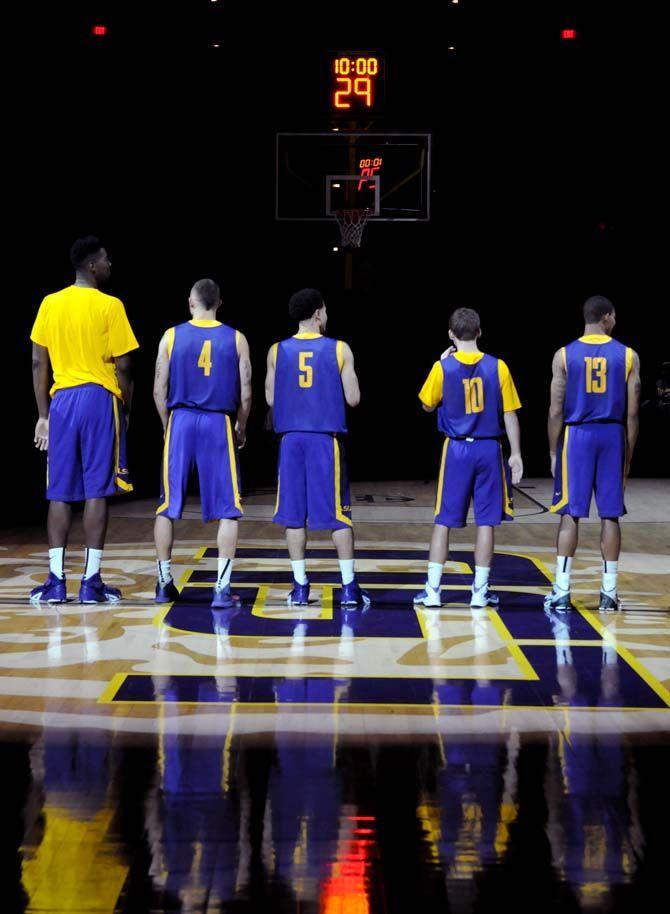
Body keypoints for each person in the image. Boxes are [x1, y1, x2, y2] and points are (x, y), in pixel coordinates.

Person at [30, 236, 138, 603]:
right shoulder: (110, 305)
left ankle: (55, 582)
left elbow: (37, 362)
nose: (110, 265)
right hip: (98, 398)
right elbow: (124, 364)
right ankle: (91, 584)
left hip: (61, 402)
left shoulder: (50, 303)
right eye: (106, 260)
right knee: (97, 489)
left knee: (58, 491)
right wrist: (124, 408)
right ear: (92, 265)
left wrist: (43, 415)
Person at [265, 288, 369, 607]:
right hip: (325, 440)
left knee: (294, 517)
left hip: (291, 440)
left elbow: (270, 399)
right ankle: (349, 589)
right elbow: (353, 398)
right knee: (338, 516)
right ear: (317, 314)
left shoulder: (276, 350)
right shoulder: (339, 349)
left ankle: (300, 588)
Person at [414, 307, 523, 608]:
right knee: (486, 522)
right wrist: (516, 454)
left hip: (457, 449)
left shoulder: (443, 367)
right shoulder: (498, 366)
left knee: (443, 521)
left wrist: (440, 365)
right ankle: (480, 592)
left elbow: (425, 405)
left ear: (451, 334)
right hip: (489, 448)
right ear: (479, 331)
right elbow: (510, 414)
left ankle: (433, 591)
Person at [152, 279, 251, 607]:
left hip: (180, 419)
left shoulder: (171, 335)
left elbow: (158, 389)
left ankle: (164, 583)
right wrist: (241, 426)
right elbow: (246, 390)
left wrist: (169, 426)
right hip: (216, 422)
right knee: (228, 509)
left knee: (167, 506)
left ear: (190, 302)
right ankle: (222, 590)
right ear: (219, 303)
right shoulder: (236, 338)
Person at [546, 295, 640, 611]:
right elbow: (633, 413)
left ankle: (561, 591)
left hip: (577, 434)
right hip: (612, 433)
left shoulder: (563, 355)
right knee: (611, 513)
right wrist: (628, 451)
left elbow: (555, 410)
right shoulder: (628, 355)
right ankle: (609, 593)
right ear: (608, 317)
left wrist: (552, 451)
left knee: (570, 512)